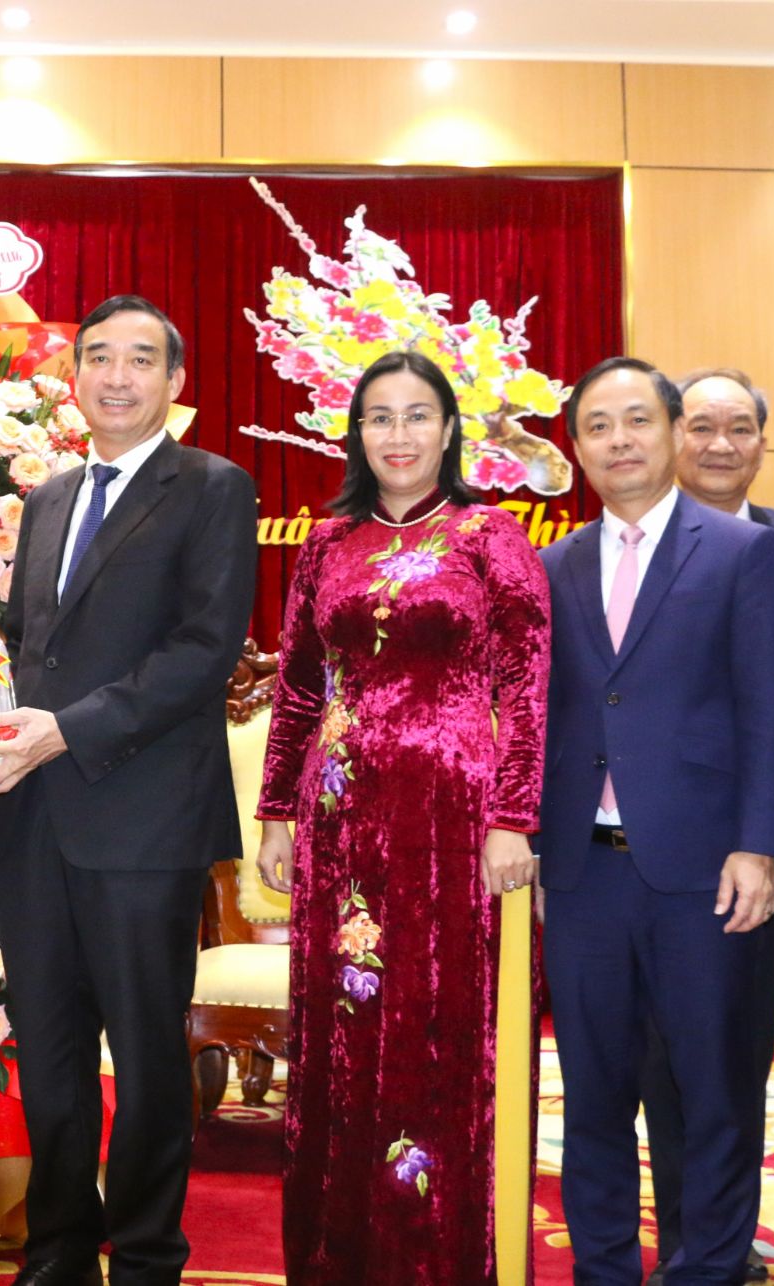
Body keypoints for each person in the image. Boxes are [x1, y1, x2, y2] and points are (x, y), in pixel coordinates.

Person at [0, 295, 257, 1286]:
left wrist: (64, 730)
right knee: (46, 1049)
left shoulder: (212, 487)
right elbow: (29, 652)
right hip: (33, 815)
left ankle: (143, 1253)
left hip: (144, 819)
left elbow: (199, 650)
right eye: (97, 358)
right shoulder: (47, 497)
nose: (116, 376)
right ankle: (54, 1248)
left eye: (140, 359)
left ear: (174, 383)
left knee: (144, 1056)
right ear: (73, 377)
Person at [251, 350, 549, 1284]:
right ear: (357, 435)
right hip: (338, 821)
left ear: (450, 430)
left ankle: (436, 1255)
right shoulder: (326, 544)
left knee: (434, 1029)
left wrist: (514, 815)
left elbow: (527, 682)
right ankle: (343, 1254)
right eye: (380, 418)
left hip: (449, 820)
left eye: (418, 416)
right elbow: (300, 689)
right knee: (339, 1033)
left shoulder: (489, 536)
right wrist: (275, 812)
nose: (399, 436)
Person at [537, 357, 774, 1286]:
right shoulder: (552, 563)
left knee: (712, 1092)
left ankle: (709, 1269)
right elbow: (544, 715)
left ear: (672, 429)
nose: (619, 442)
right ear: (578, 447)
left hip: (703, 872)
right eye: (598, 427)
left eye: (637, 421)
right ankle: (604, 1269)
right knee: (595, 1097)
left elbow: (772, 710)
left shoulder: (739, 552)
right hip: (580, 875)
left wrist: (760, 844)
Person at [642, 367, 774, 1284]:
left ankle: (724, 1239)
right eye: (702, 426)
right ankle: (685, 1238)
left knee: (734, 1060)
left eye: (741, 428)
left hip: (756, 853)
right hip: (645, 860)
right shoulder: (632, 548)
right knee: (658, 1068)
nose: (721, 444)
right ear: (675, 435)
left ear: (763, 440)